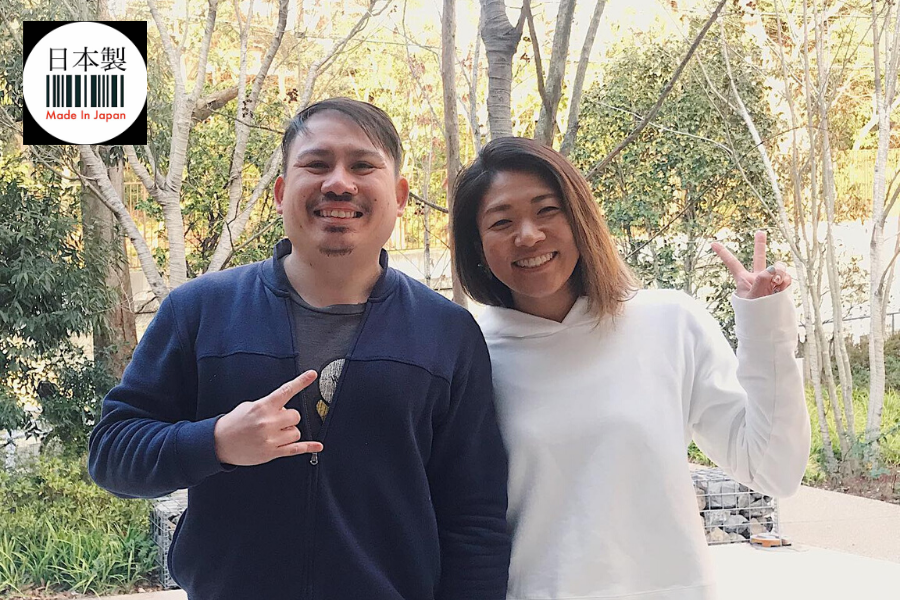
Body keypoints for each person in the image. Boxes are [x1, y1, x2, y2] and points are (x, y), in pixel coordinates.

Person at [89, 98, 511, 600]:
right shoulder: (200, 311)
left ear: (400, 196)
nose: (339, 183)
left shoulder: (447, 332)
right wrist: (217, 442)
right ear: (281, 191)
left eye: (363, 166)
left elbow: (475, 516)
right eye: (316, 164)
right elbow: (112, 453)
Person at [450, 136, 811, 600]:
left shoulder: (669, 322)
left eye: (547, 210)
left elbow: (773, 470)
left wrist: (765, 329)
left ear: (580, 218)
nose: (529, 235)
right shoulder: (469, 354)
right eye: (501, 222)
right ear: (477, 246)